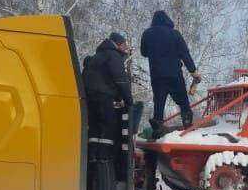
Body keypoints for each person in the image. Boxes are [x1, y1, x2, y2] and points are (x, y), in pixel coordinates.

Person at [140, 10, 200, 132]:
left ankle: (157, 128)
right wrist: (193, 71)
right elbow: (185, 54)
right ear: (167, 20)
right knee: (183, 102)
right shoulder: (175, 34)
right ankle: (188, 126)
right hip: (174, 75)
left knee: (159, 103)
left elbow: (144, 53)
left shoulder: (147, 34)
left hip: (157, 76)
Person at [82, 32, 133, 171]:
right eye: (124, 44)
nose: (125, 48)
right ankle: (104, 159)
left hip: (90, 99)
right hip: (104, 97)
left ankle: (92, 156)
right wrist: (128, 101)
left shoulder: (95, 58)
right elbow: (120, 79)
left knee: (94, 127)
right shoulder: (114, 56)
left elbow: (95, 77)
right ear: (117, 43)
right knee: (108, 125)